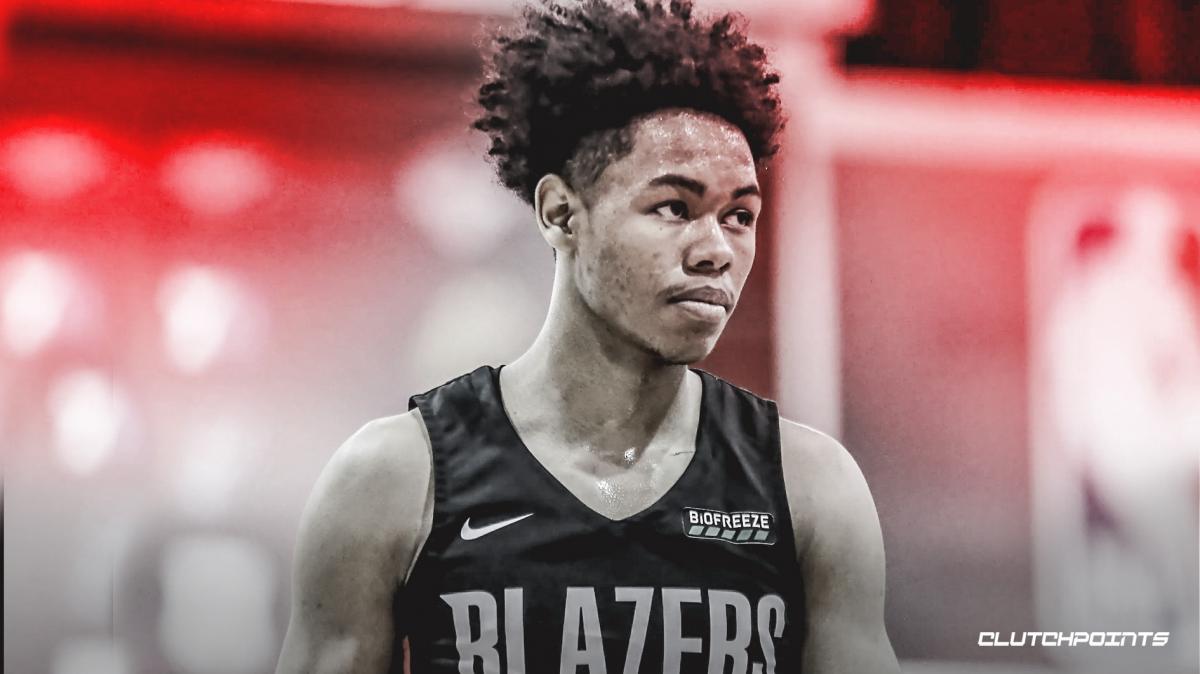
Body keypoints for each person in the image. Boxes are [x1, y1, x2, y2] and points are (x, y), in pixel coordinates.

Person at [276, 1, 900, 672]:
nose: (716, 250)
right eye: (675, 207)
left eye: (739, 215)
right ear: (560, 213)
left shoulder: (808, 486)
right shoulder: (395, 478)